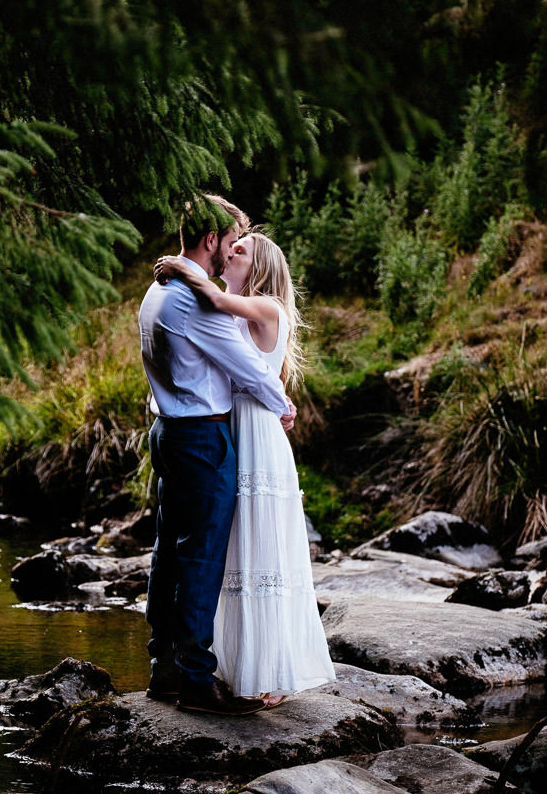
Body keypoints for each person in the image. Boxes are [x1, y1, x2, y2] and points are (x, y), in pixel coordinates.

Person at [153, 230, 335, 708]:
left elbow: (213, 297)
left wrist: (177, 264)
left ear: (260, 268)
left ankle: (267, 673)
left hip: (257, 433)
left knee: (260, 548)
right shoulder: (229, 307)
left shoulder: (268, 306)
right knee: (229, 552)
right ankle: (229, 666)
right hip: (234, 428)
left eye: (242, 250)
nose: (231, 253)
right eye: (231, 246)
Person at [138, 195, 294, 717]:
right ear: (212, 241)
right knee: (201, 555)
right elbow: (248, 368)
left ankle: (163, 668)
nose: (232, 253)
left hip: (168, 430)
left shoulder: (156, 290)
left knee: (169, 550)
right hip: (201, 439)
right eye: (231, 241)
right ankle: (196, 680)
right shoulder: (193, 299)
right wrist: (284, 405)